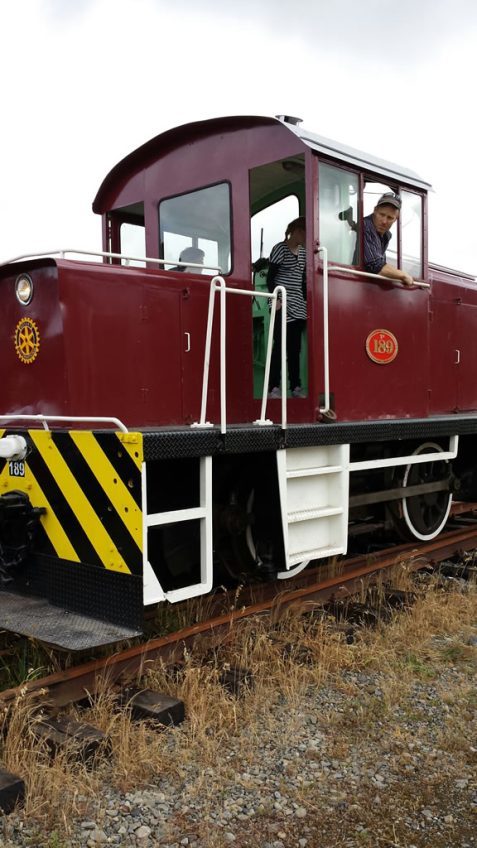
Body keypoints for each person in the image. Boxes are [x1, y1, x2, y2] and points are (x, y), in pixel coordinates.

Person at [267, 216, 307, 399]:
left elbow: (304, 281)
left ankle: (295, 386)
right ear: (297, 231)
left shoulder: (305, 253)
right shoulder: (279, 249)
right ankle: (272, 387)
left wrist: (308, 302)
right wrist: (274, 299)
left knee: (295, 348)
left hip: (298, 302)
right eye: (305, 232)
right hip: (281, 299)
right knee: (279, 346)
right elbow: (270, 278)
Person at [363, 193, 414, 287]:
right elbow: (375, 266)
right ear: (375, 210)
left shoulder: (386, 235)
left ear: (396, 219)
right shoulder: (365, 226)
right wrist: (403, 275)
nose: (384, 221)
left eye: (390, 218)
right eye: (382, 214)